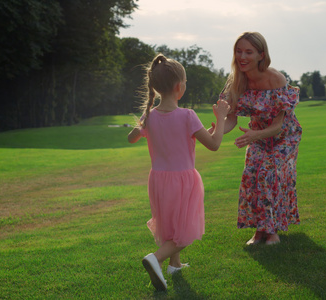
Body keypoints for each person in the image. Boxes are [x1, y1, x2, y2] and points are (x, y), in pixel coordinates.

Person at [128, 54, 230, 291]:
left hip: (158, 180)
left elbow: (132, 137)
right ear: (179, 87)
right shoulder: (187, 115)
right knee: (185, 230)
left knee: (170, 224)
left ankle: (175, 265)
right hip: (183, 180)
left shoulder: (150, 116)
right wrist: (221, 118)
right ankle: (156, 257)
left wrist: (141, 125)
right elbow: (214, 144)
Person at [217, 32, 302, 245]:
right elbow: (231, 120)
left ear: (261, 55)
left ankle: (272, 233)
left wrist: (255, 135)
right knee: (251, 175)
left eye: (248, 52)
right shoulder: (236, 82)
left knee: (268, 175)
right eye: (238, 51)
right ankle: (258, 232)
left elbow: (278, 126)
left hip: (284, 137)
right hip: (257, 135)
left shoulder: (276, 79)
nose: (242, 57)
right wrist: (214, 131)